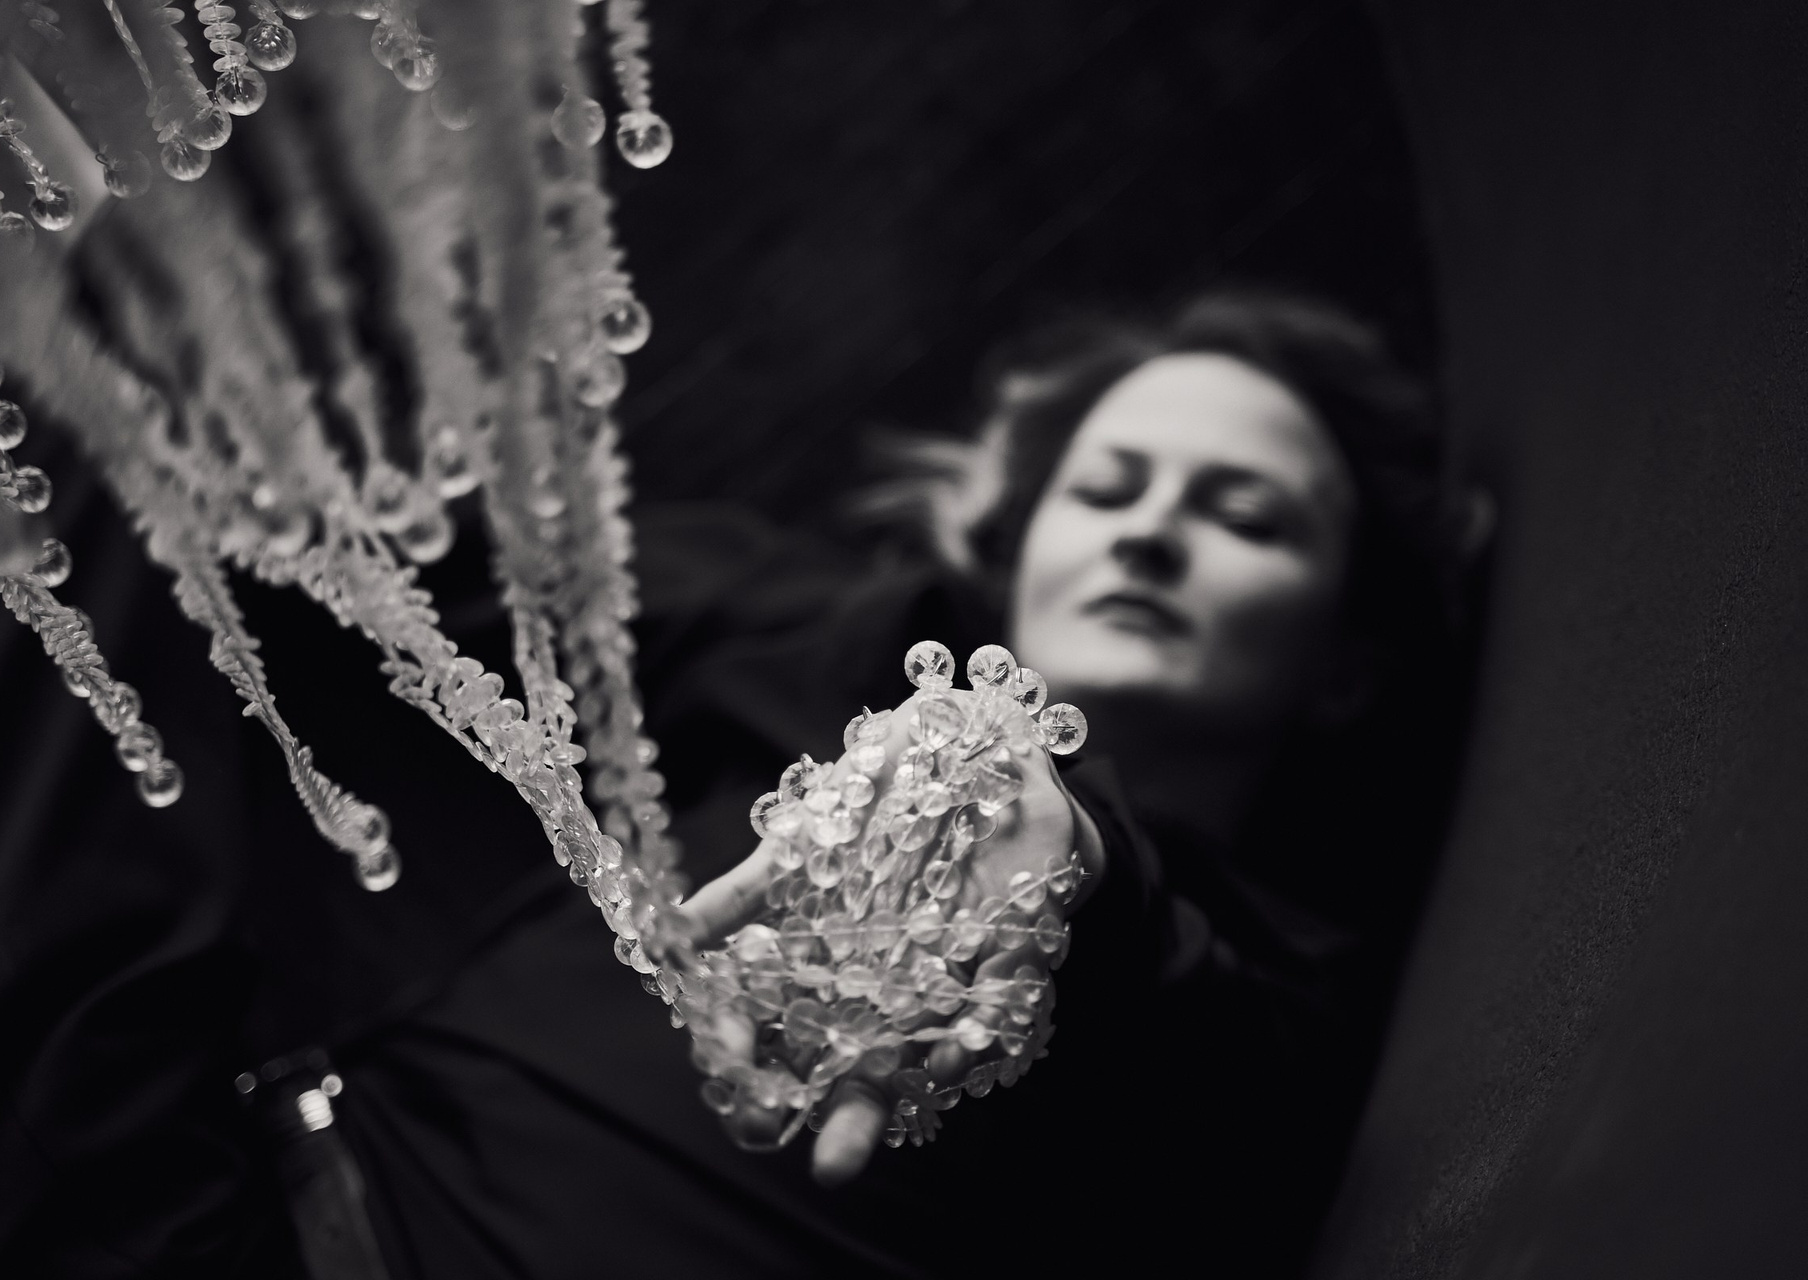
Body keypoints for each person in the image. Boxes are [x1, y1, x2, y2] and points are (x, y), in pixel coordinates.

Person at [328, 286, 1471, 1278]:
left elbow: (1180, 1009)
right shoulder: (806, 638)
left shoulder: (1282, 1001)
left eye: (1245, 517)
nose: (1150, 533)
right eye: (1105, 489)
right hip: (284, 1176)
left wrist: (1073, 865)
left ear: (1348, 664)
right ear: (1015, 554)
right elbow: (388, 565)